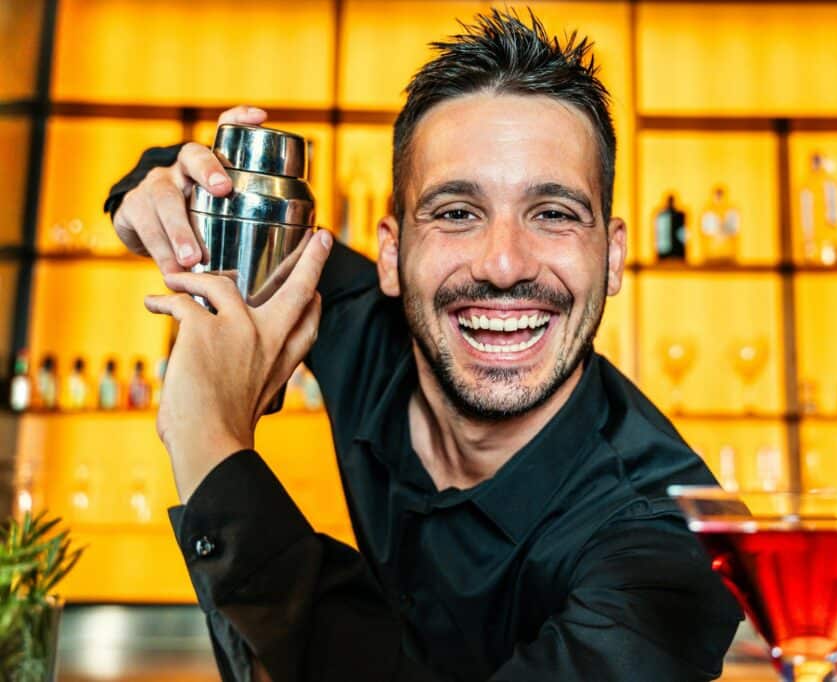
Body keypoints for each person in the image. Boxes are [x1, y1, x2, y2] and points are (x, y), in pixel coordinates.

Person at [105, 9, 741, 681]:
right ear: (391, 254)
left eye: (553, 213)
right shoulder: (359, 319)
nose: (503, 264)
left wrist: (206, 436)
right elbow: (172, 182)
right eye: (456, 212)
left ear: (611, 258)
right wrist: (146, 199)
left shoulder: (677, 550)